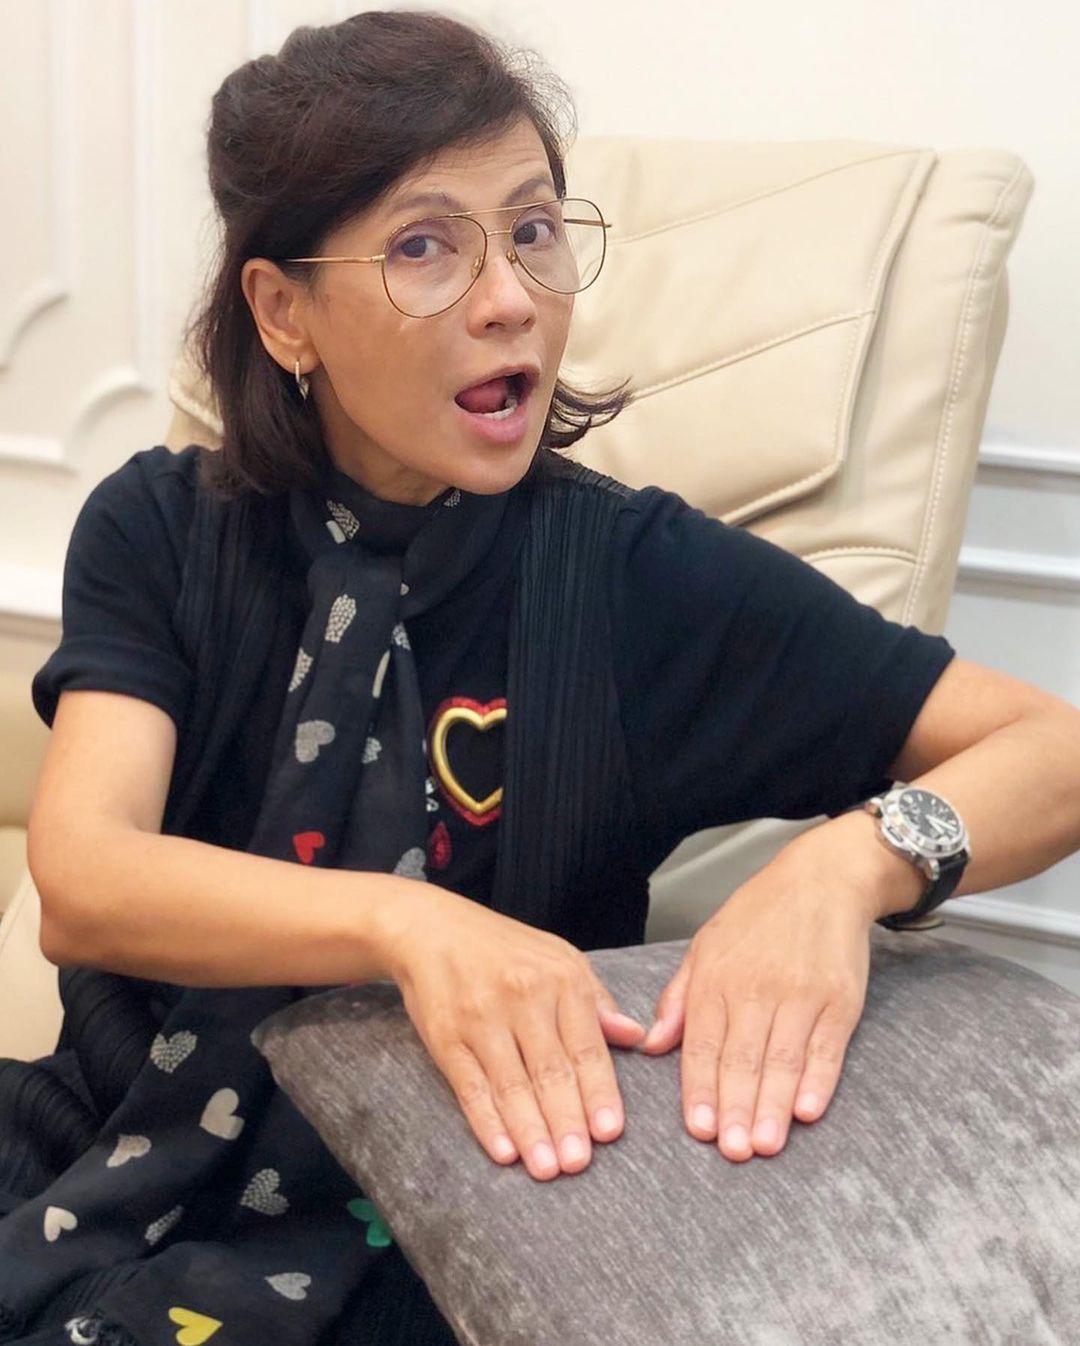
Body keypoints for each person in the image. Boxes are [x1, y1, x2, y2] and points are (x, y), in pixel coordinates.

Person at [9, 9, 1078, 1345]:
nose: (511, 296)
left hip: (443, 1220)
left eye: (532, 229)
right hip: (92, 1147)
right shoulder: (161, 527)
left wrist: (844, 870)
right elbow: (86, 878)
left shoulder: (638, 579)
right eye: (424, 247)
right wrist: (410, 926)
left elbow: (1053, 750)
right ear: (285, 313)